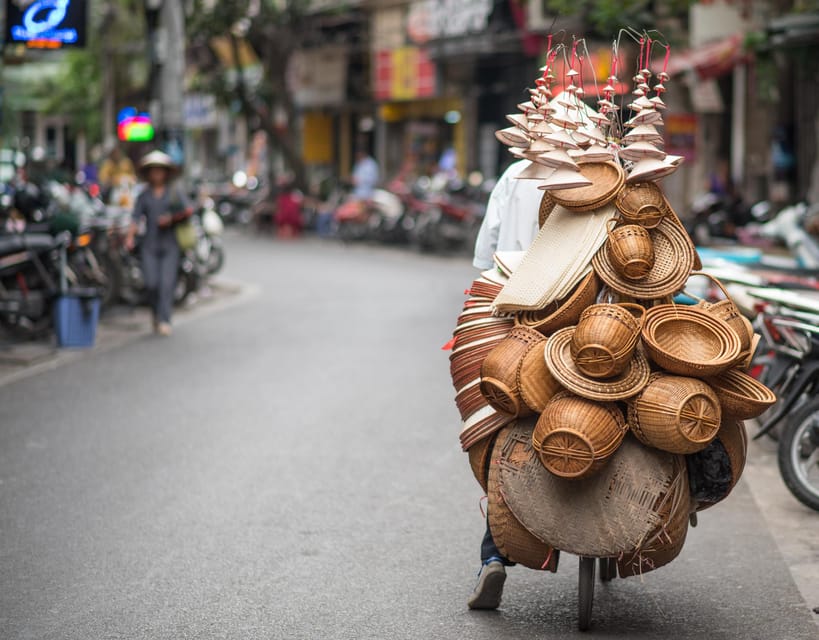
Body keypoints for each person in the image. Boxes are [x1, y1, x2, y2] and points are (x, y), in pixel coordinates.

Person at [468, 158, 544, 610]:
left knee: (504, 429)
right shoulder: (608, 169)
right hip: (596, 325)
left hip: (515, 319)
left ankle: (494, 555)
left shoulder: (516, 174)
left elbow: (484, 258)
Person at [125, 151, 192, 337]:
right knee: (151, 283)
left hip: (170, 243)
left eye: (159, 171)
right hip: (150, 245)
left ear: (165, 173)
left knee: (167, 283)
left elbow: (188, 210)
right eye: (153, 171)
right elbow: (135, 218)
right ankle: (156, 314)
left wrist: (171, 219)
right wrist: (130, 237)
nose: (157, 175)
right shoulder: (144, 195)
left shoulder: (174, 192)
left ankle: (165, 319)